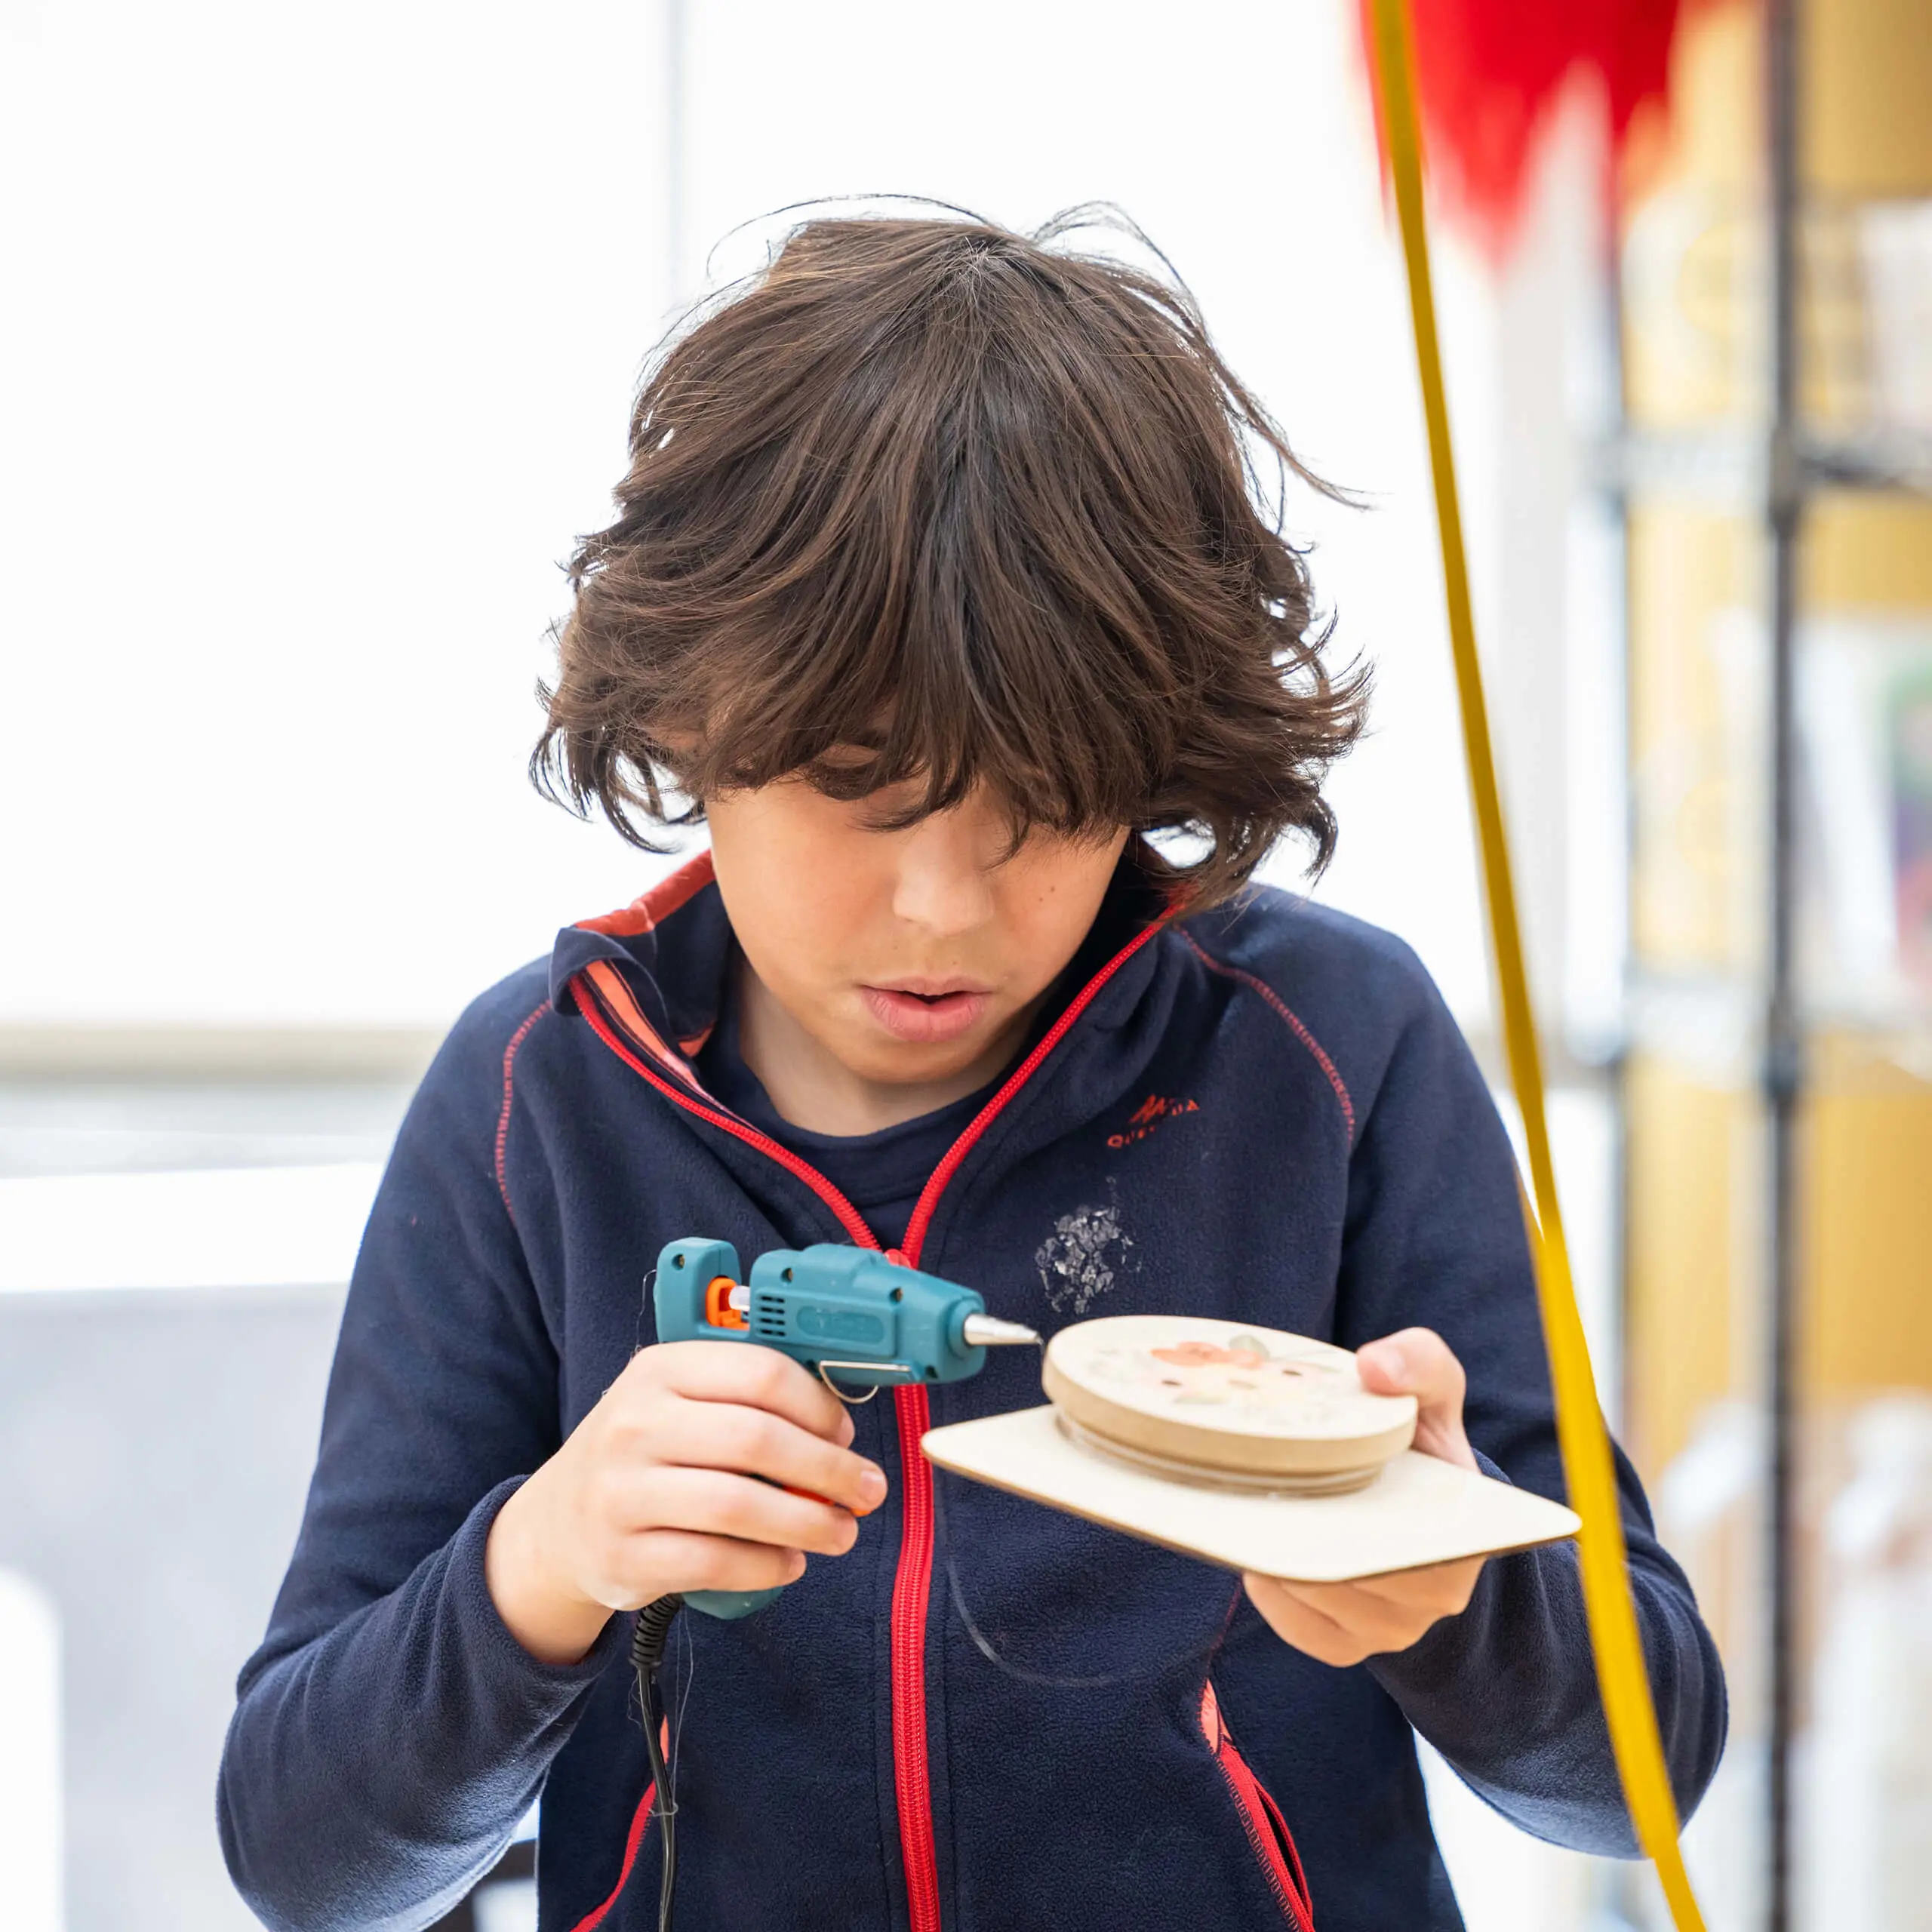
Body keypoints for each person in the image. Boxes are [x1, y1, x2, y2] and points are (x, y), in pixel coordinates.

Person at [217, 211, 1725, 1932]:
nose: (941, 906)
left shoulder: (1326, 1051)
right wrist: (541, 1562)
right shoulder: (539, 1099)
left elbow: (1646, 1770)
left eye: (1039, 809)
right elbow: (306, 1862)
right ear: (692, 722)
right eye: (862, 793)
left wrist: (1459, 1601)